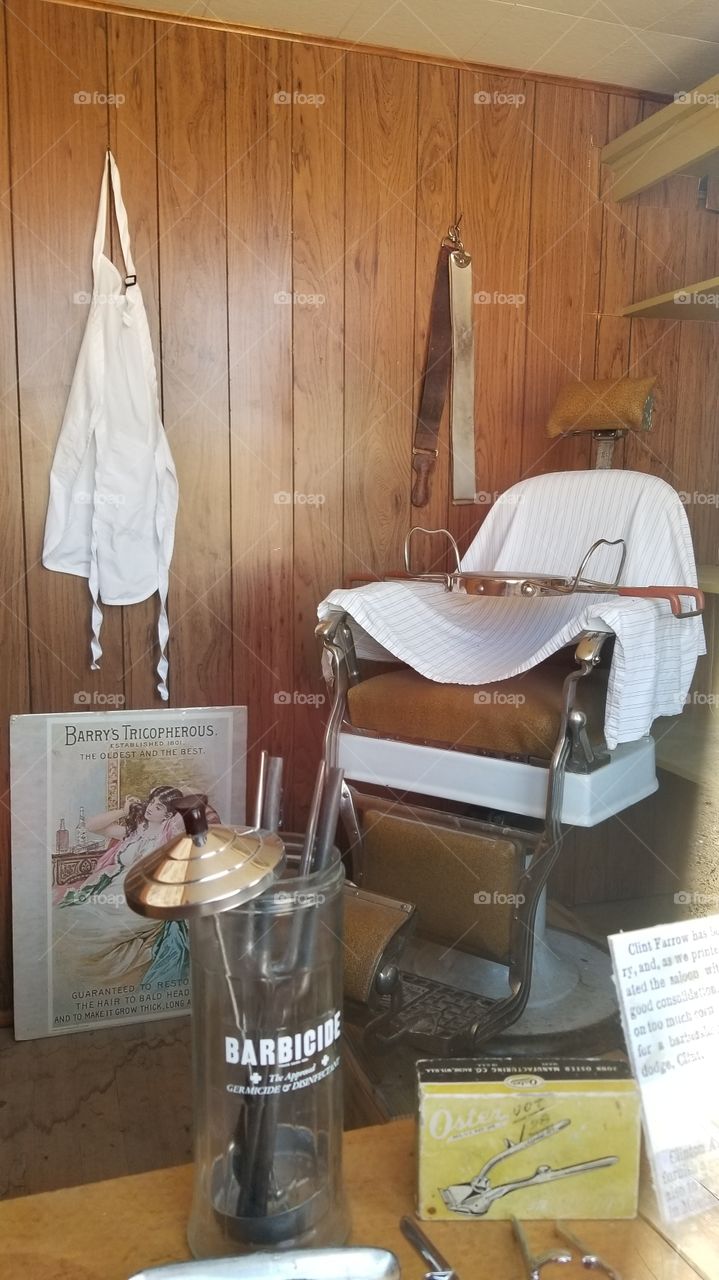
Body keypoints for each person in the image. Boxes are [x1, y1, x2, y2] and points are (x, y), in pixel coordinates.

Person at [55, 784, 189, 994]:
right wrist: (123, 811)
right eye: (152, 802)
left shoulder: (172, 834)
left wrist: (181, 794)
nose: (151, 808)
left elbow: (193, 805)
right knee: (69, 919)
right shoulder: (135, 831)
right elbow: (91, 826)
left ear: (169, 815)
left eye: (160, 807)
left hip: (146, 898)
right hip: (113, 891)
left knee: (94, 932)